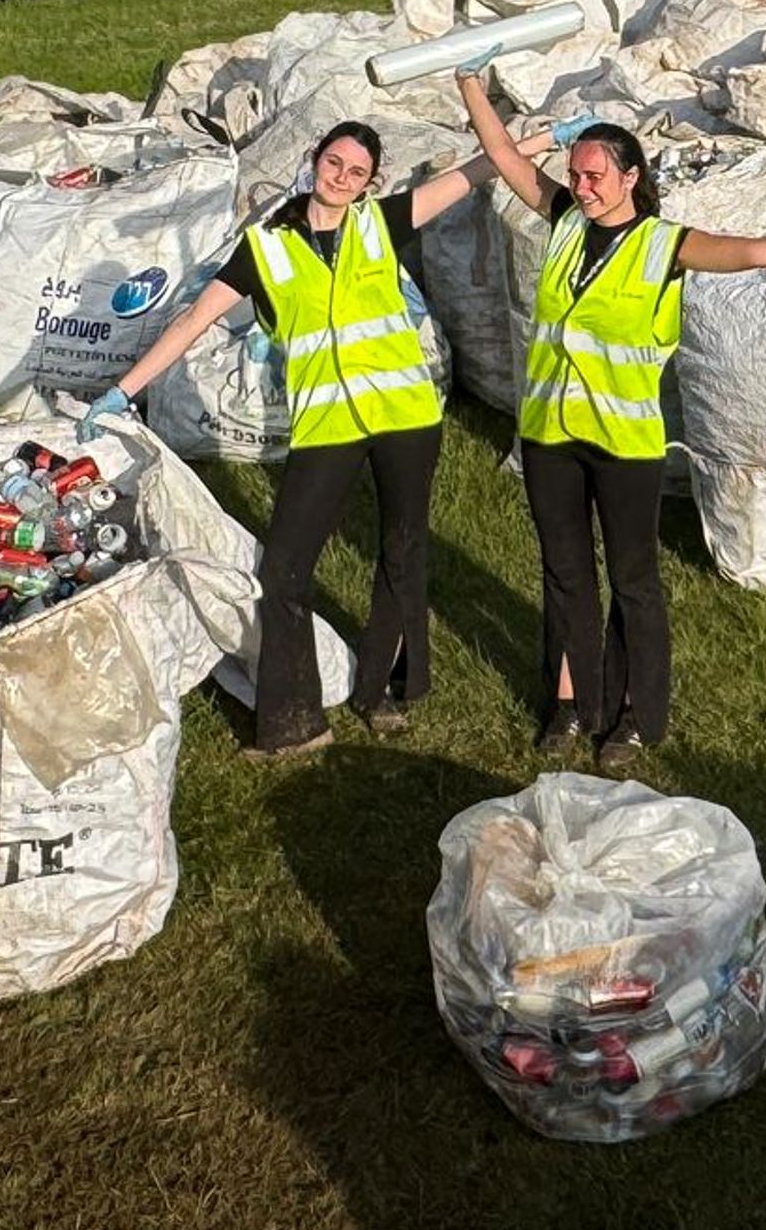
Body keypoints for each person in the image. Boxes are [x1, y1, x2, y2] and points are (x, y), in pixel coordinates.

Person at [458, 70, 766, 771]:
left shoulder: (663, 245)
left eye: (593, 177)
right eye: (574, 175)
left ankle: (634, 716)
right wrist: (471, 83)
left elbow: (754, 252)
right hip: (550, 437)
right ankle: (570, 701)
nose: (580, 187)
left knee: (632, 580)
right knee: (563, 574)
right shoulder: (561, 222)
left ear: (629, 177)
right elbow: (503, 156)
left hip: (622, 444)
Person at [83, 117, 539, 758]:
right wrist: (122, 392)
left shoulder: (381, 223)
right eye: (334, 164)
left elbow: (476, 171)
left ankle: (383, 691)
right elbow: (192, 322)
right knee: (286, 571)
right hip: (328, 426)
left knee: (402, 551)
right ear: (314, 158)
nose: (342, 179)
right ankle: (293, 722)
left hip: (407, 418)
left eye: (356, 173)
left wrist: (542, 143)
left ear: (368, 183)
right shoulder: (266, 249)